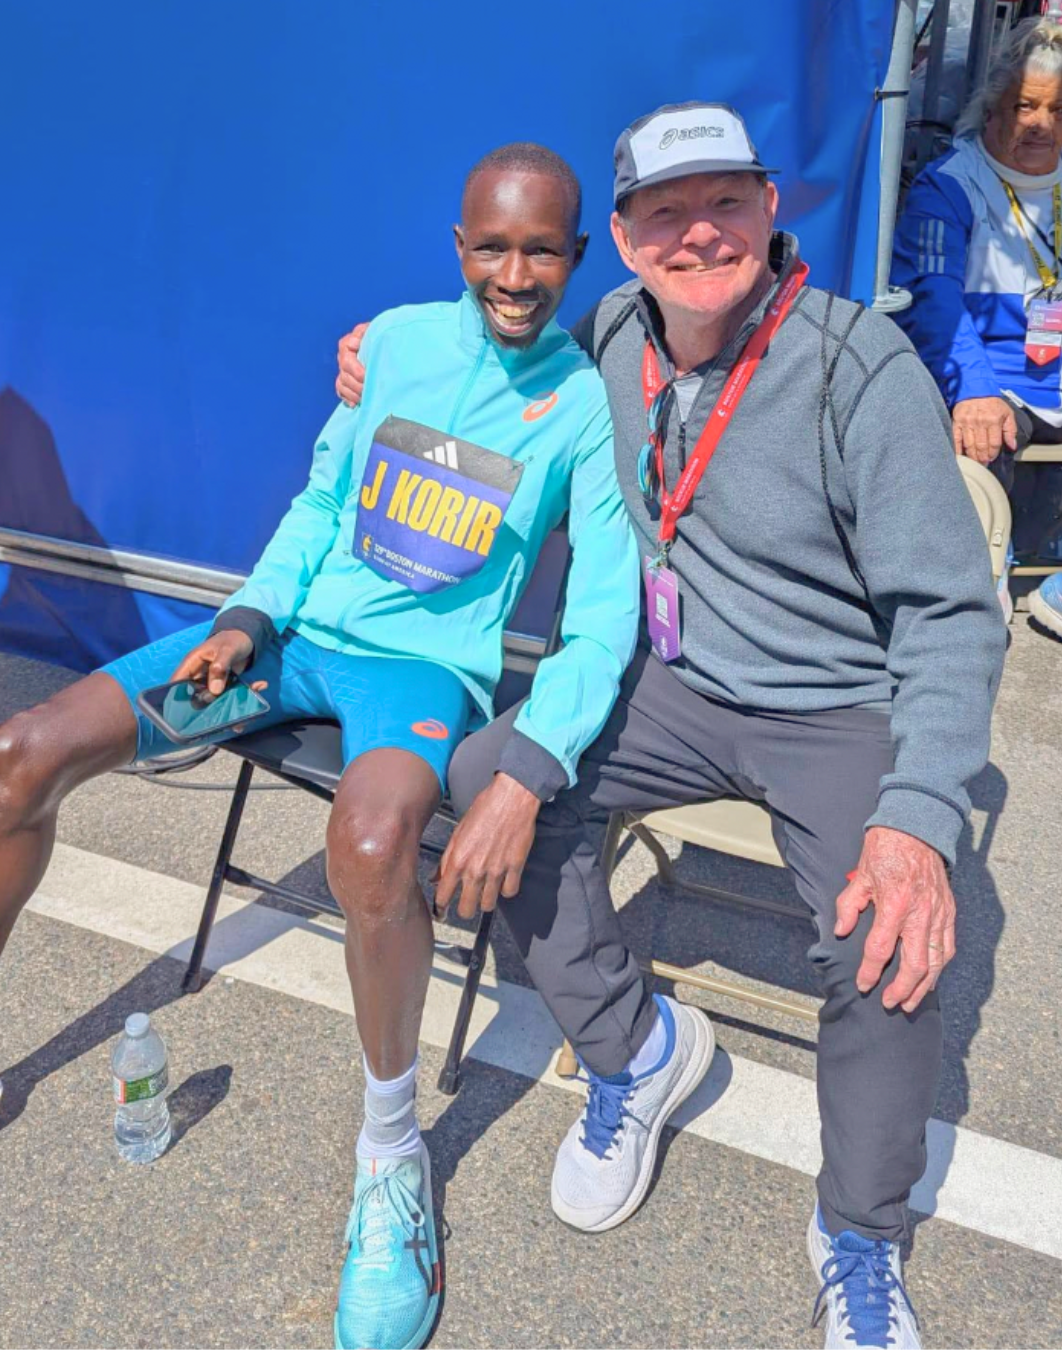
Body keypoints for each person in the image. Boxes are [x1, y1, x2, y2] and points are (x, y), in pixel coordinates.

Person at [338, 102, 1006, 1349]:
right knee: (489, 781)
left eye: (725, 202)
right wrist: (377, 355)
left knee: (886, 936)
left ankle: (859, 1236)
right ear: (627, 237)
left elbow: (953, 616)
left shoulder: (858, 365)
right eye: (665, 212)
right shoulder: (606, 334)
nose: (699, 234)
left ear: (770, 206)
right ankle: (634, 1053)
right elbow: (478, 367)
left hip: (832, 703)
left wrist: (918, 822)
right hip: (669, 683)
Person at [0, 144, 642, 1350]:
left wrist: (533, 761)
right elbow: (319, 502)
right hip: (285, 642)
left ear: (577, 255)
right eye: (491, 248)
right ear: (458, 249)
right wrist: (248, 613)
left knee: (376, 841)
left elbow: (605, 616)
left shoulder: (584, 409)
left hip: (415, 677)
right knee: (20, 756)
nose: (514, 275)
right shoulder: (391, 342)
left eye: (540, 251)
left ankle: (391, 1157)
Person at [892, 17, 1062, 652]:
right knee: (974, 437)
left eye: (1057, 110)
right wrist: (973, 388)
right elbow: (931, 302)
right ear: (992, 107)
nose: (1042, 124)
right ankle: (972, 591)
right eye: (1025, 106)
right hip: (997, 381)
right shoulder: (950, 184)